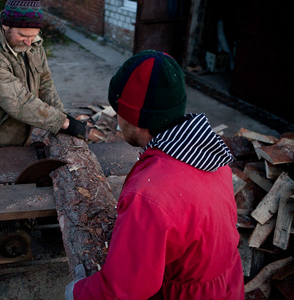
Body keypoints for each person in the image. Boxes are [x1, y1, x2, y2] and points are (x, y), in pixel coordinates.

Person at [65, 50, 244, 299]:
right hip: (227, 286)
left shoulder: (149, 194)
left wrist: (78, 292)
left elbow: (125, 288)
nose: (117, 120)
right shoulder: (211, 154)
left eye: (119, 112)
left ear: (135, 118)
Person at [0, 0, 86, 149]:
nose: (28, 43)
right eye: (23, 36)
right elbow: (17, 100)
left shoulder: (31, 40)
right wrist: (62, 122)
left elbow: (44, 81)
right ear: (6, 25)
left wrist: (62, 115)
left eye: (33, 36)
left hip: (19, 135)